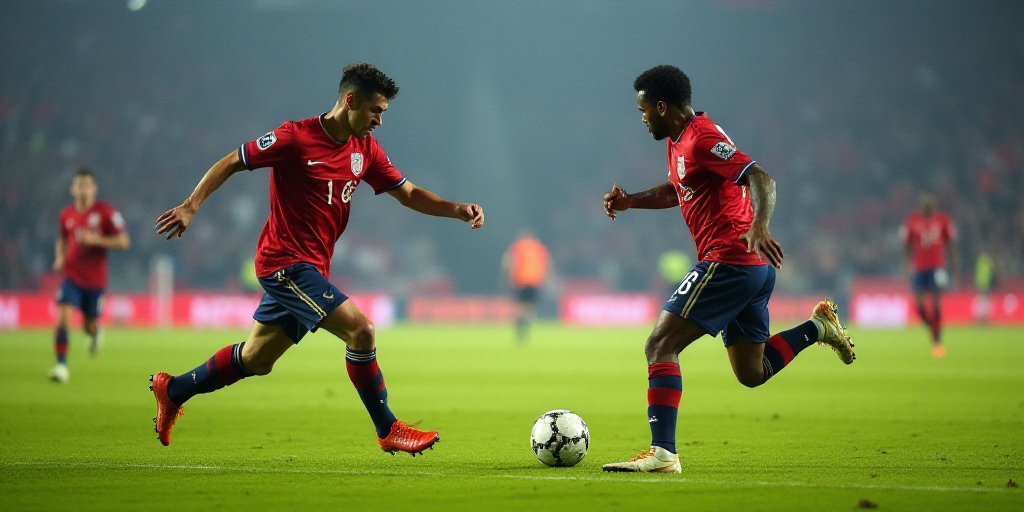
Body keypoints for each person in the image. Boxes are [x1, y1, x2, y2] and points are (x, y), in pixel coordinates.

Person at [150, 63, 484, 455]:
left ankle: (173, 389)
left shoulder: (365, 149)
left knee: (257, 359)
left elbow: (408, 193)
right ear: (350, 100)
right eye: (375, 110)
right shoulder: (294, 138)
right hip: (284, 264)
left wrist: (456, 209)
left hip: (311, 266)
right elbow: (231, 161)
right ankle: (388, 427)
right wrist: (191, 206)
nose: (379, 120)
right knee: (362, 331)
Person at [600, 65, 855, 473]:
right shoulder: (678, 141)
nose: (642, 117)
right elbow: (678, 190)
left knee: (659, 345)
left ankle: (663, 453)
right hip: (749, 270)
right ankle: (817, 329)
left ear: (663, 106)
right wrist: (632, 200)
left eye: (644, 109)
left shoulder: (702, 137)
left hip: (729, 260)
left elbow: (761, 177)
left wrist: (760, 225)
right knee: (752, 372)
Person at [49, 169, 130, 383]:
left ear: (94, 188)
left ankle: (95, 332)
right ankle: (61, 366)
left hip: (95, 281)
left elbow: (123, 241)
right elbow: (63, 239)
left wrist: (97, 241)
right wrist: (59, 257)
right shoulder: (66, 214)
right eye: (79, 185)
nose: (83, 189)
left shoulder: (106, 212)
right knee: (63, 317)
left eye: (87, 185)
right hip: (72, 276)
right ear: (73, 189)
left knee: (88, 326)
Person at [899, 193, 958, 356]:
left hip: (937, 266)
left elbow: (950, 245)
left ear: (934, 205)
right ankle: (932, 327)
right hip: (919, 268)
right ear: (920, 205)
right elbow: (906, 245)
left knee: (936, 303)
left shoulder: (943, 220)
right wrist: (905, 266)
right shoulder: (911, 221)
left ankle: (937, 340)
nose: (927, 206)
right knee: (919, 306)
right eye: (925, 204)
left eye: (930, 203)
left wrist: (955, 267)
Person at [501, 230, 551, 341]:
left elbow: (508, 262)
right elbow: (546, 263)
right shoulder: (538, 247)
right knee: (530, 306)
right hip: (534, 280)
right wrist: (545, 279)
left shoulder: (518, 247)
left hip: (520, 280)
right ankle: (525, 324)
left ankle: (521, 325)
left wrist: (507, 277)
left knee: (521, 306)